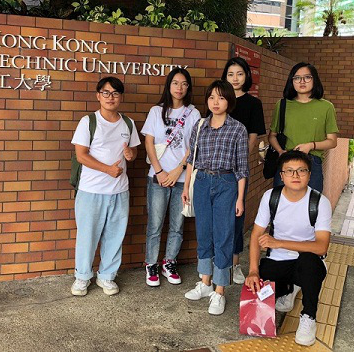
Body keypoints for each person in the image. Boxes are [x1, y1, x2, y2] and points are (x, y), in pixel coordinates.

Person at [245, 150, 332, 347]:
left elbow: (321, 246)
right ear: (281, 175)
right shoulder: (271, 197)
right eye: (289, 171)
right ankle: (289, 289)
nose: (295, 175)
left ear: (309, 175)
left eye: (301, 170)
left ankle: (308, 316)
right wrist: (253, 271)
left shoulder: (319, 202)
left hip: (306, 262)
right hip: (278, 261)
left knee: (309, 263)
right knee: (262, 280)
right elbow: (256, 235)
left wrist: (279, 243)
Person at [182, 80, 248, 315]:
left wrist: (240, 198)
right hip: (201, 182)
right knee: (204, 233)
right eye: (211, 97)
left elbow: (242, 168)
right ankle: (205, 282)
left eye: (221, 97)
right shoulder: (200, 126)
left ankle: (219, 291)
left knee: (223, 236)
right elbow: (191, 159)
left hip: (226, 183)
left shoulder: (238, 129)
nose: (215, 102)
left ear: (229, 101)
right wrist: (186, 187)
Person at [70, 76, 141, 296]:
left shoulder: (128, 123)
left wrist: (130, 154)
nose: (111, 97)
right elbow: (81, 155)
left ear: (121, 97)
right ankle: (82, 277)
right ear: (98, 96)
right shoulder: (88, 122)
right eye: (106, 93)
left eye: (115, 93)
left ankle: (107, 276)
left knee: (115, 236)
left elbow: (134, 151)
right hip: (91, 190)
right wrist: (107, 170)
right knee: (87, 236)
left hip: (119, 191)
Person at [142, 68, 201, 287]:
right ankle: (151, 264)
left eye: (184, 84)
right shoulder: (156, 111)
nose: (179, 88)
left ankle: (169, 262)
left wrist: (178, 170)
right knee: (155, 224)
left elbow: (194, 145)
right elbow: (149, 142)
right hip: (157, 177)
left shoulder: (193, 114)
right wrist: (159, 171)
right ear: (169, 85)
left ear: (188, 87)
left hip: (182, 178)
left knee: (177, 224)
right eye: (175, 83)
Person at [222, 57, 266, 285]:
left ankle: (235, 263)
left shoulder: (253, 104)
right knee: (219, 217)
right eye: (230, 74)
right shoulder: (219, 99)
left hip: (238, 169)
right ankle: (218, 261)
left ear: (246, 76)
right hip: (217, 169)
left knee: (236, 216)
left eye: (239, 73)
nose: (235, 78)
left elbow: (253, 136)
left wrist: (239, 159)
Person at [268, 62, 338, 193]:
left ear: (314, 79)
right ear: (291, 81)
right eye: (297, 78)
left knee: (311, 203)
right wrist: (280, 151)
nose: (302, 81)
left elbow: (332, 141)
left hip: (312, 163)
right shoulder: (282, 105)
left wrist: (310, 145)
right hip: (287, 161)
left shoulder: (326, 107)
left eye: (307, 77)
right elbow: (272, 136)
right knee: (281, 202)